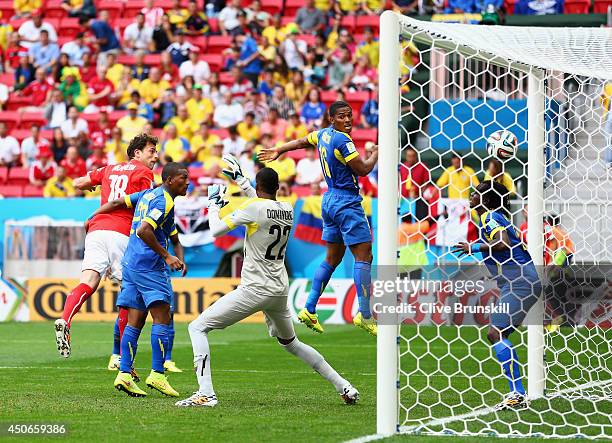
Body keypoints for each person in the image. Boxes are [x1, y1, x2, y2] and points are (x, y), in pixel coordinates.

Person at [175, 160, 360, 407]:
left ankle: (206, 393)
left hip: (254, 289)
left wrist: (213, 204)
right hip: (279, 289)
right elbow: (262, 204)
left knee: (197, 327)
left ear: (258, 185)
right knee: (292, 343)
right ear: (278, 187)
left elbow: (216, 230)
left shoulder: (254, 208)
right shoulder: (286, 208)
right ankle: (344, 386)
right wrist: (242, 181)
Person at [259, 101, 378, 335]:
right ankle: (365, 314)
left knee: (332, 258)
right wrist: (374, 154)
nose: (348, 120)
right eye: (342, 116)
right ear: (331, 118)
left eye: (350, 116)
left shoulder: (323, 135)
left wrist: (280, 149)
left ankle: (309, 308)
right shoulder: (343, 140)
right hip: (347, 201)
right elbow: (363, 170)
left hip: (329, 200)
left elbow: (303, 141)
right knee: (364, 255)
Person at [85, 162, 189, 397]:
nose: (188, 182)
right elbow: (144, 230)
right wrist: (167, 256)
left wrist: (93, 216)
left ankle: (124, 374)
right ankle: (158, 375)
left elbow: (115, 203)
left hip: (130, 264)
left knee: (135, 319)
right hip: (149, 266)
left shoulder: (148, 194)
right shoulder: (164, 200)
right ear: (170, 180)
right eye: (183, 178)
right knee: (163, 316)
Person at [53, 134, 158, 361]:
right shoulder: (145, 173)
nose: (156, 156)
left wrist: (94, 187)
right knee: (128, 292)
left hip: (96, 230)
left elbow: (77, 183)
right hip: (120, 232)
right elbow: (145, 204)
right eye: (151, 151)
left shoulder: (109, 168)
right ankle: (118, 357)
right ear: (136, 153)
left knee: (88, 281)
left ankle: (65, 319)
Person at [452, 181, 541, 411]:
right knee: (498, 334)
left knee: (495, 332)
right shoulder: (488, 220)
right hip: (519, 282)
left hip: (520, 282)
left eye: (477, 193)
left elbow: (503, 243)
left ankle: (517, 393)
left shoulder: (490, 217)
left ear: (488, 200)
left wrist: (474, 247)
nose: (472, 195)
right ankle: (518, 391)